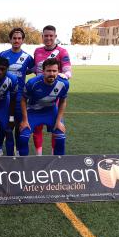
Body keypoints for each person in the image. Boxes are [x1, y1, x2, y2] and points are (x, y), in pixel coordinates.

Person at [32, 25, 72, 155]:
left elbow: (67, 70)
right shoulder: (37, 51)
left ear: (55, 36)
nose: (48, 38)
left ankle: (54, 158)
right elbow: (35, 69)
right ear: (42, 36)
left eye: (51, 36)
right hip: (37, 96)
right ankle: (39, 156)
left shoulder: (62, 51)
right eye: (46, 35)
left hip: (53, 96)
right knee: (37, 129)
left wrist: (64, 76)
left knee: (56, 127)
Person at [18, 58, 69, 156]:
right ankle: (23, 165)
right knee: (23, 137)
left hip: (51, 111)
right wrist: (24, 120)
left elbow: (63, 101)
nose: (52, 73)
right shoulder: (32, 83)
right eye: (48, 71)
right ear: (43, 71)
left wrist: (58, 122)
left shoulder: (64, 83)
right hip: (33, 111)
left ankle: (58, 164)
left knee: (60, 137)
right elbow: (23, 100)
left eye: (54, 71)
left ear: (58, 71)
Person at [0, 28, 34, 155]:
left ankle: (18, 150)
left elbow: (33, 70)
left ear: (23, 40)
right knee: (4, 124)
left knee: (19, 124)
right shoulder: (2, 55)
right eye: (14, 38)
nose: (16, 40)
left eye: (19, 38)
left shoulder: (27, 57)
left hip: (20, 96)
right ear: (10, 39)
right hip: (3, 95)